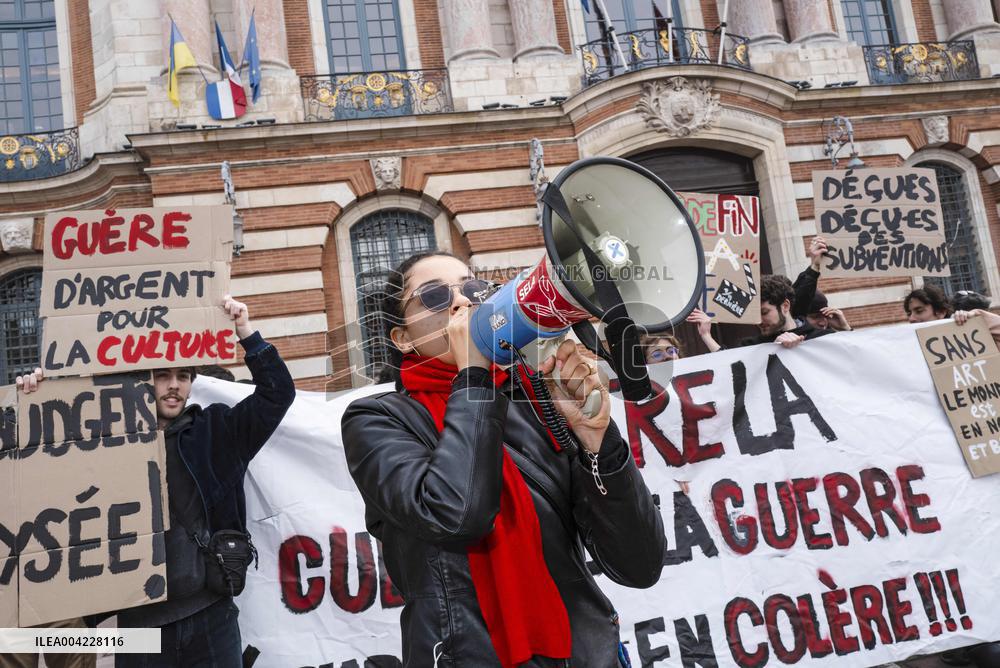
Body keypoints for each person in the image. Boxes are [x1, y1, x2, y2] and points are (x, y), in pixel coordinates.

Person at [342, 251, 665, 667]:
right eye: (436, 296)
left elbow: (639, 564)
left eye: (474, 289)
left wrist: (597, 442)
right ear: (402, 338)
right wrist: (473, 376)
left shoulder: (533, 398)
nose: (462, 303)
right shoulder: (376, 421)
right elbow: (456, 516)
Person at [15, 296, 295, 668]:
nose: (173, 386)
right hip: (138, 627)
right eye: (162, 375)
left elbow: (277, 394)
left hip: (211, 615)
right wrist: (39, 397)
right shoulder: (98, 442)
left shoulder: (216, 431)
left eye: (183, 376)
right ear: (140, 380)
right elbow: (35, 461)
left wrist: (246, 331)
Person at [687, 275, 834, 352]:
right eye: (755, 315)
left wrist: (847, 330)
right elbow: (728, 366)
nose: (759, 320)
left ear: (785, 306)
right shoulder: (750, 346)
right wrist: (706, 335)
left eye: (764, 312)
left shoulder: (821, 338)